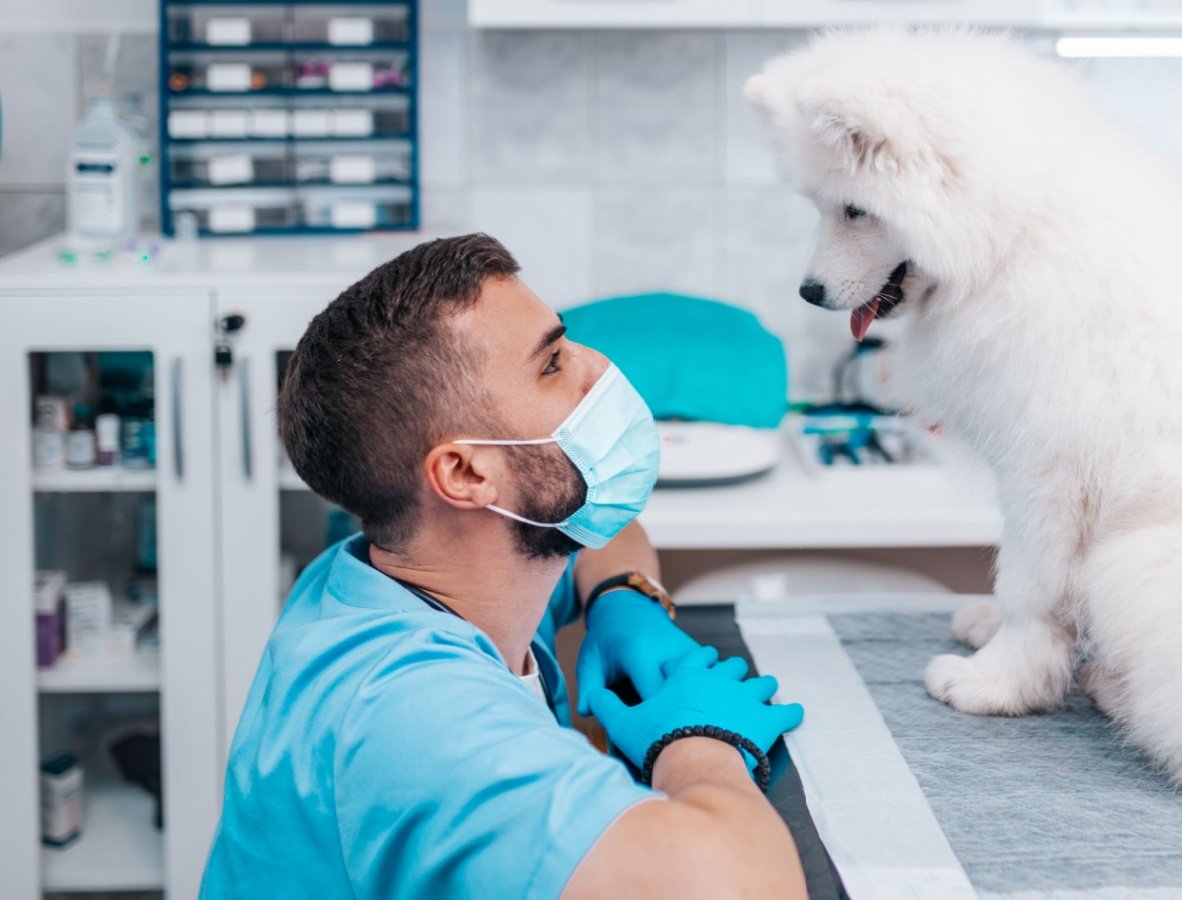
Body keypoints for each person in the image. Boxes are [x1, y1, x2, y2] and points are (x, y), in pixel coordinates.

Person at [200, 234, 807, 898]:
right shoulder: (417, 719)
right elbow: (746, 886)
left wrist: (623, 601)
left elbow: (609, 530)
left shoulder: (403, 571)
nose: (596, 369)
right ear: (464, 473)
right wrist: (699, 745)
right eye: (551, 365)